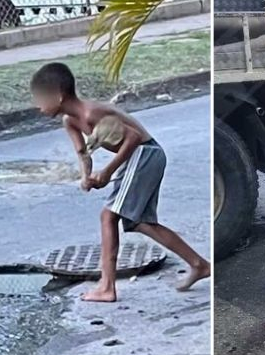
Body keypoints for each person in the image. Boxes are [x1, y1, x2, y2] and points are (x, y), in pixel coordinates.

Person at [30, 62, 211, 302]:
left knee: (108, 216)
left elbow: (134, 137)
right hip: (138, 157)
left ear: (59, 95)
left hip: (146, 153)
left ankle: (107, 286)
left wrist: (106, 172)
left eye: (40, 99)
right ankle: (199, 264)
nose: (38, 106)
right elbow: (82, 152)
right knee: (140, 223)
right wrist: (87, 177)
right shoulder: (70, 121)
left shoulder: (92, 113)